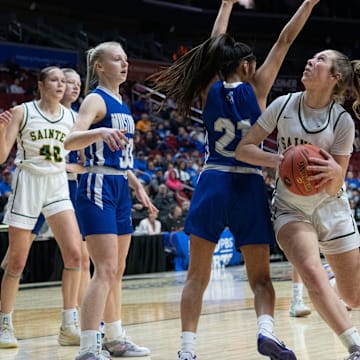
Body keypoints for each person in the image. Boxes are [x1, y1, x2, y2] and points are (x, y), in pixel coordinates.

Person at [147, 0, 320, 359]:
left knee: (196, 276)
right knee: (260, 278)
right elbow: (285, 40)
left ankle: (187, 350)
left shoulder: (208, 86)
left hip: (213, 181)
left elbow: (214, 43)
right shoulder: (256, 90)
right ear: (246, 65)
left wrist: (225, 4)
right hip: (248, 183)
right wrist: (308, 4)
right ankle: (266, 331)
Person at [235, 50, 360, 360]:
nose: (310, 61)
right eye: (311, 57)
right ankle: (355, 348)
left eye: (319, 60)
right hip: (290, 209)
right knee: (310, 271)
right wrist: (278, 159)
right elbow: (244, 149)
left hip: (331, 207)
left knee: (354, 297)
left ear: (335, 78)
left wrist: (334, 172)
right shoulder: (283, 105)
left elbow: (336, 183)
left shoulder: (342, 121)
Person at [64, 41, 157, 360]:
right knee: (103, 268)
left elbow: (122, 156)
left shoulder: (121, 101)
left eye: (126, 58)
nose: (124, 63)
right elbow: (70, 140)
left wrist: (138, 186)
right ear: (100, 66)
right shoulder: (95, 99)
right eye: (117, 58)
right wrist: (98, 134)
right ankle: (89, 346)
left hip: (118, 184)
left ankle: (115, 338)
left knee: (117, 269)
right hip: (96, 185)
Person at [0, 66, 83, 349]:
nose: (61, 85)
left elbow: (81, 160)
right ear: (41, 84)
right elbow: (2, 157)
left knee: (74, 255)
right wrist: (1, 129)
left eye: (64, 81)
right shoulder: (23, 112)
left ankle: (69, 325)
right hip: (28, 182)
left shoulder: (73, 117)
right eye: (55, 80)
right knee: (17, 261)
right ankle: (4, 323)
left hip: (58, 183)